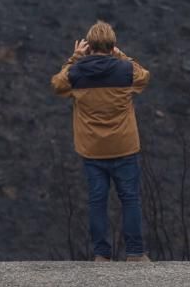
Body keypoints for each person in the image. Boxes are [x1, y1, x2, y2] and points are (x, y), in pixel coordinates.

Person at [51, 20, 151, 262]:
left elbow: (57, 84)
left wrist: (74, 59)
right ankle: (136, 253)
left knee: (98, 201)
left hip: (93, 150)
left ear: (88, 45)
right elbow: (144, 76)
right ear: (112, 45)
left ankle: (101, 255)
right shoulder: (125, 70)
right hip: (124, 146)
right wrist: (122, 56)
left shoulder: (76, 73)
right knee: (130, 199)